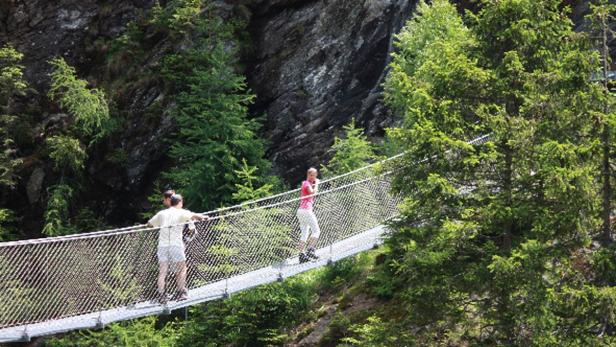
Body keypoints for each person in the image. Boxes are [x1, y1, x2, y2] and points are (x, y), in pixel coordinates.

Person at [147, 194, 206, 303]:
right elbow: (195, 216)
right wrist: (205, 217)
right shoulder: (181, 212)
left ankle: (161, 295)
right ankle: (181, 292)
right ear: (180, 202)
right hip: (176, 244)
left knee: (162, 271)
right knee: (182, 269)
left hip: (162, 245)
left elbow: (150, 224)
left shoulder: (161, 213)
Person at [296, 167, 321, 263]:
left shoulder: (308, 183)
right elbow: (312, 193)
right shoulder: (306, 183)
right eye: (312, 175)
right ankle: (310, 250)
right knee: (316, 231)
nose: (313, 177)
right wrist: (317, 184)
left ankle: (301, 255)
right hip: (306, 210)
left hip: (301, 211)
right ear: (308, 175)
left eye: (315, 176)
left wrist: (314, 183)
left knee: (304, 234)